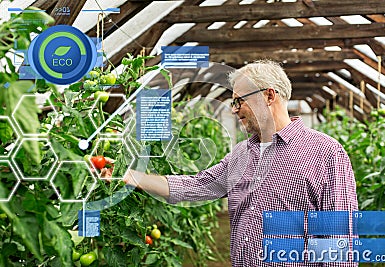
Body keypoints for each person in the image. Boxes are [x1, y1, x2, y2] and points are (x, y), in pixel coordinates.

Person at [108, 60, 358, 266]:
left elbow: (340, 239)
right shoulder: (241, 153)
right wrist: (132, 177)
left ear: (269, 96)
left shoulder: (326, 152)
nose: (234, 109)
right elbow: (197, 185)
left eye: (240, 101)